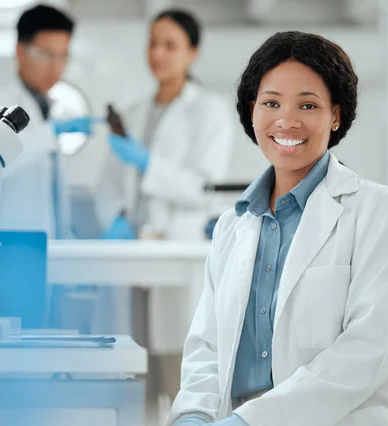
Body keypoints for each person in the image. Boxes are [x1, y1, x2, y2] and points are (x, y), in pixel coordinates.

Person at [168, 31, 388, 426]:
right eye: (271, 103)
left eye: (308, 104)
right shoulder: (233, 224)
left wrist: (251, 420)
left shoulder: (376, 211)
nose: (287, 121)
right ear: (252, 111)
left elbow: (367, 350)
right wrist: (195, 415)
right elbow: (207, 346)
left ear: (336, 115)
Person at [93, 7, 235, 411]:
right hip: (130, 260)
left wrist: (148, 163)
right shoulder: (134, 112)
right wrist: (116, 216)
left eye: (170, 45)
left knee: (181, 383)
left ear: (193, 52)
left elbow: (203, 187)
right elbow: (107, 185)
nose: (158, 52)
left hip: (176, 256)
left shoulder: (209, 112)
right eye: (153, 43)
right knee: (131, 383)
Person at [0, 4, 99, 238]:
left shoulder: (48, 108)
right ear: (21, 51)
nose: (56, 66)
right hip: (9, 239)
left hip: (43, 242)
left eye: (63, 56)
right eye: (46, 54)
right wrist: (50, 133)